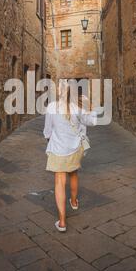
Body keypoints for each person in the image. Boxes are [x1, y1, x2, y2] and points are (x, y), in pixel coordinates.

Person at [43, 81, 101, 232]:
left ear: (59, 92)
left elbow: (47, 131)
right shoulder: (78, 107)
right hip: (75, 148)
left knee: (59, 182)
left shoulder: (51, 107)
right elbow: (92, 121)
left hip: (58, 149)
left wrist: (50, 139)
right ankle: (74, 202)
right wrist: (91, 108)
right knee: (74, 174)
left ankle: (62, 222)